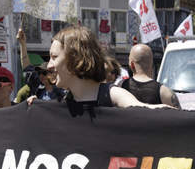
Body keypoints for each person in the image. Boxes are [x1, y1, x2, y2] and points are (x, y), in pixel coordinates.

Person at [36, 25, 170, 112]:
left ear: (76, 59)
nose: (49, 66)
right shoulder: (64, 101)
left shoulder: (113, 95)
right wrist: (35, 109)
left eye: (54, 57)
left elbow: (150, 113)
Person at [120, 43, 181, 108]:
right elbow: (180, 116)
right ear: (151, 63)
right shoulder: (165, 93)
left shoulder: (120, 88)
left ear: (132, 65)